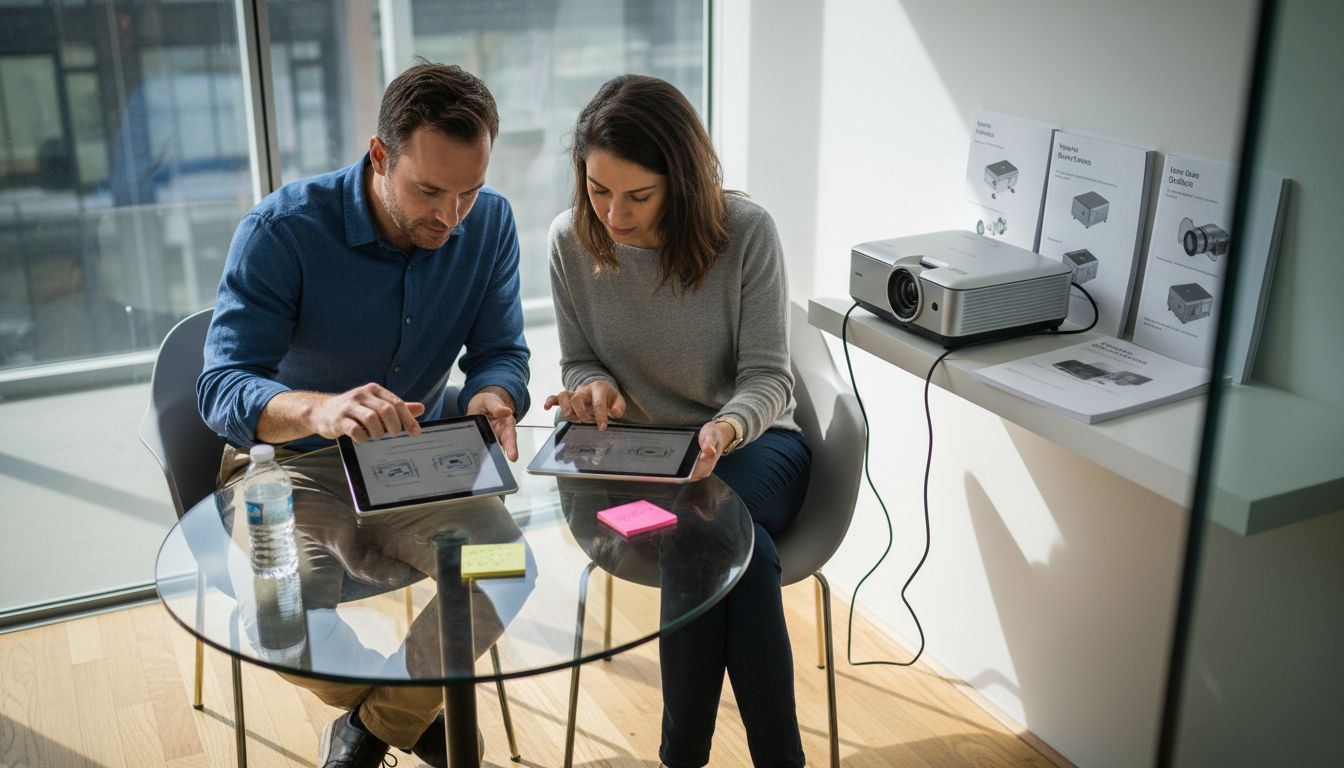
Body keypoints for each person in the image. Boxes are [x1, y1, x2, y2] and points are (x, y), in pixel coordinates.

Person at [197, 62, 530, 768]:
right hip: (287, 470)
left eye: (468, 191)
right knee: (281, 623)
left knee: (506, 567)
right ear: (380, 156)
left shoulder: (491, 223)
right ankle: (407, 716)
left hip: (412, 460)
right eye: (429, 190)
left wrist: (492, 397)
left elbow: (501, 351)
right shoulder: (283, 231)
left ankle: (372, 731)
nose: (451, 216)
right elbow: (220, 389)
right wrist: (321, 410)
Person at [545, 74, 811, 768]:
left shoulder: (746, 233)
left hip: (752, 448)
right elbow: (577, 360)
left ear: (683, 182)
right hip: (634, 459)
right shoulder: (568, 243)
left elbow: (768, 377)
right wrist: (592, 388)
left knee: (707, 532)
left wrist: (722, 430)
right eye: (598, 190)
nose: (613, 215)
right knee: (728, 548)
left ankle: (679, 759)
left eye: (638, 196)